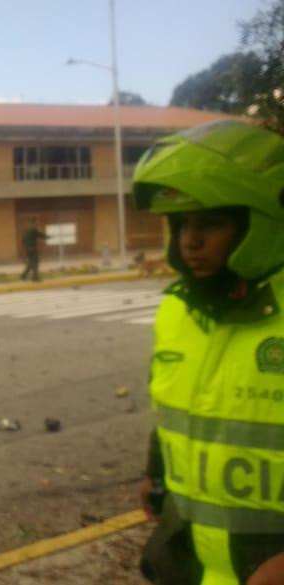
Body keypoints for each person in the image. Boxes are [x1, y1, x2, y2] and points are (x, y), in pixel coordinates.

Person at [132, 120, 284, 585]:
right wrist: (155, 472)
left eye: (210, 224)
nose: (189, 242)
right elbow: (177, 408)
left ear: (259, 224)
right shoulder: (178, 313)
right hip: (192, 562)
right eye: (180, 224)